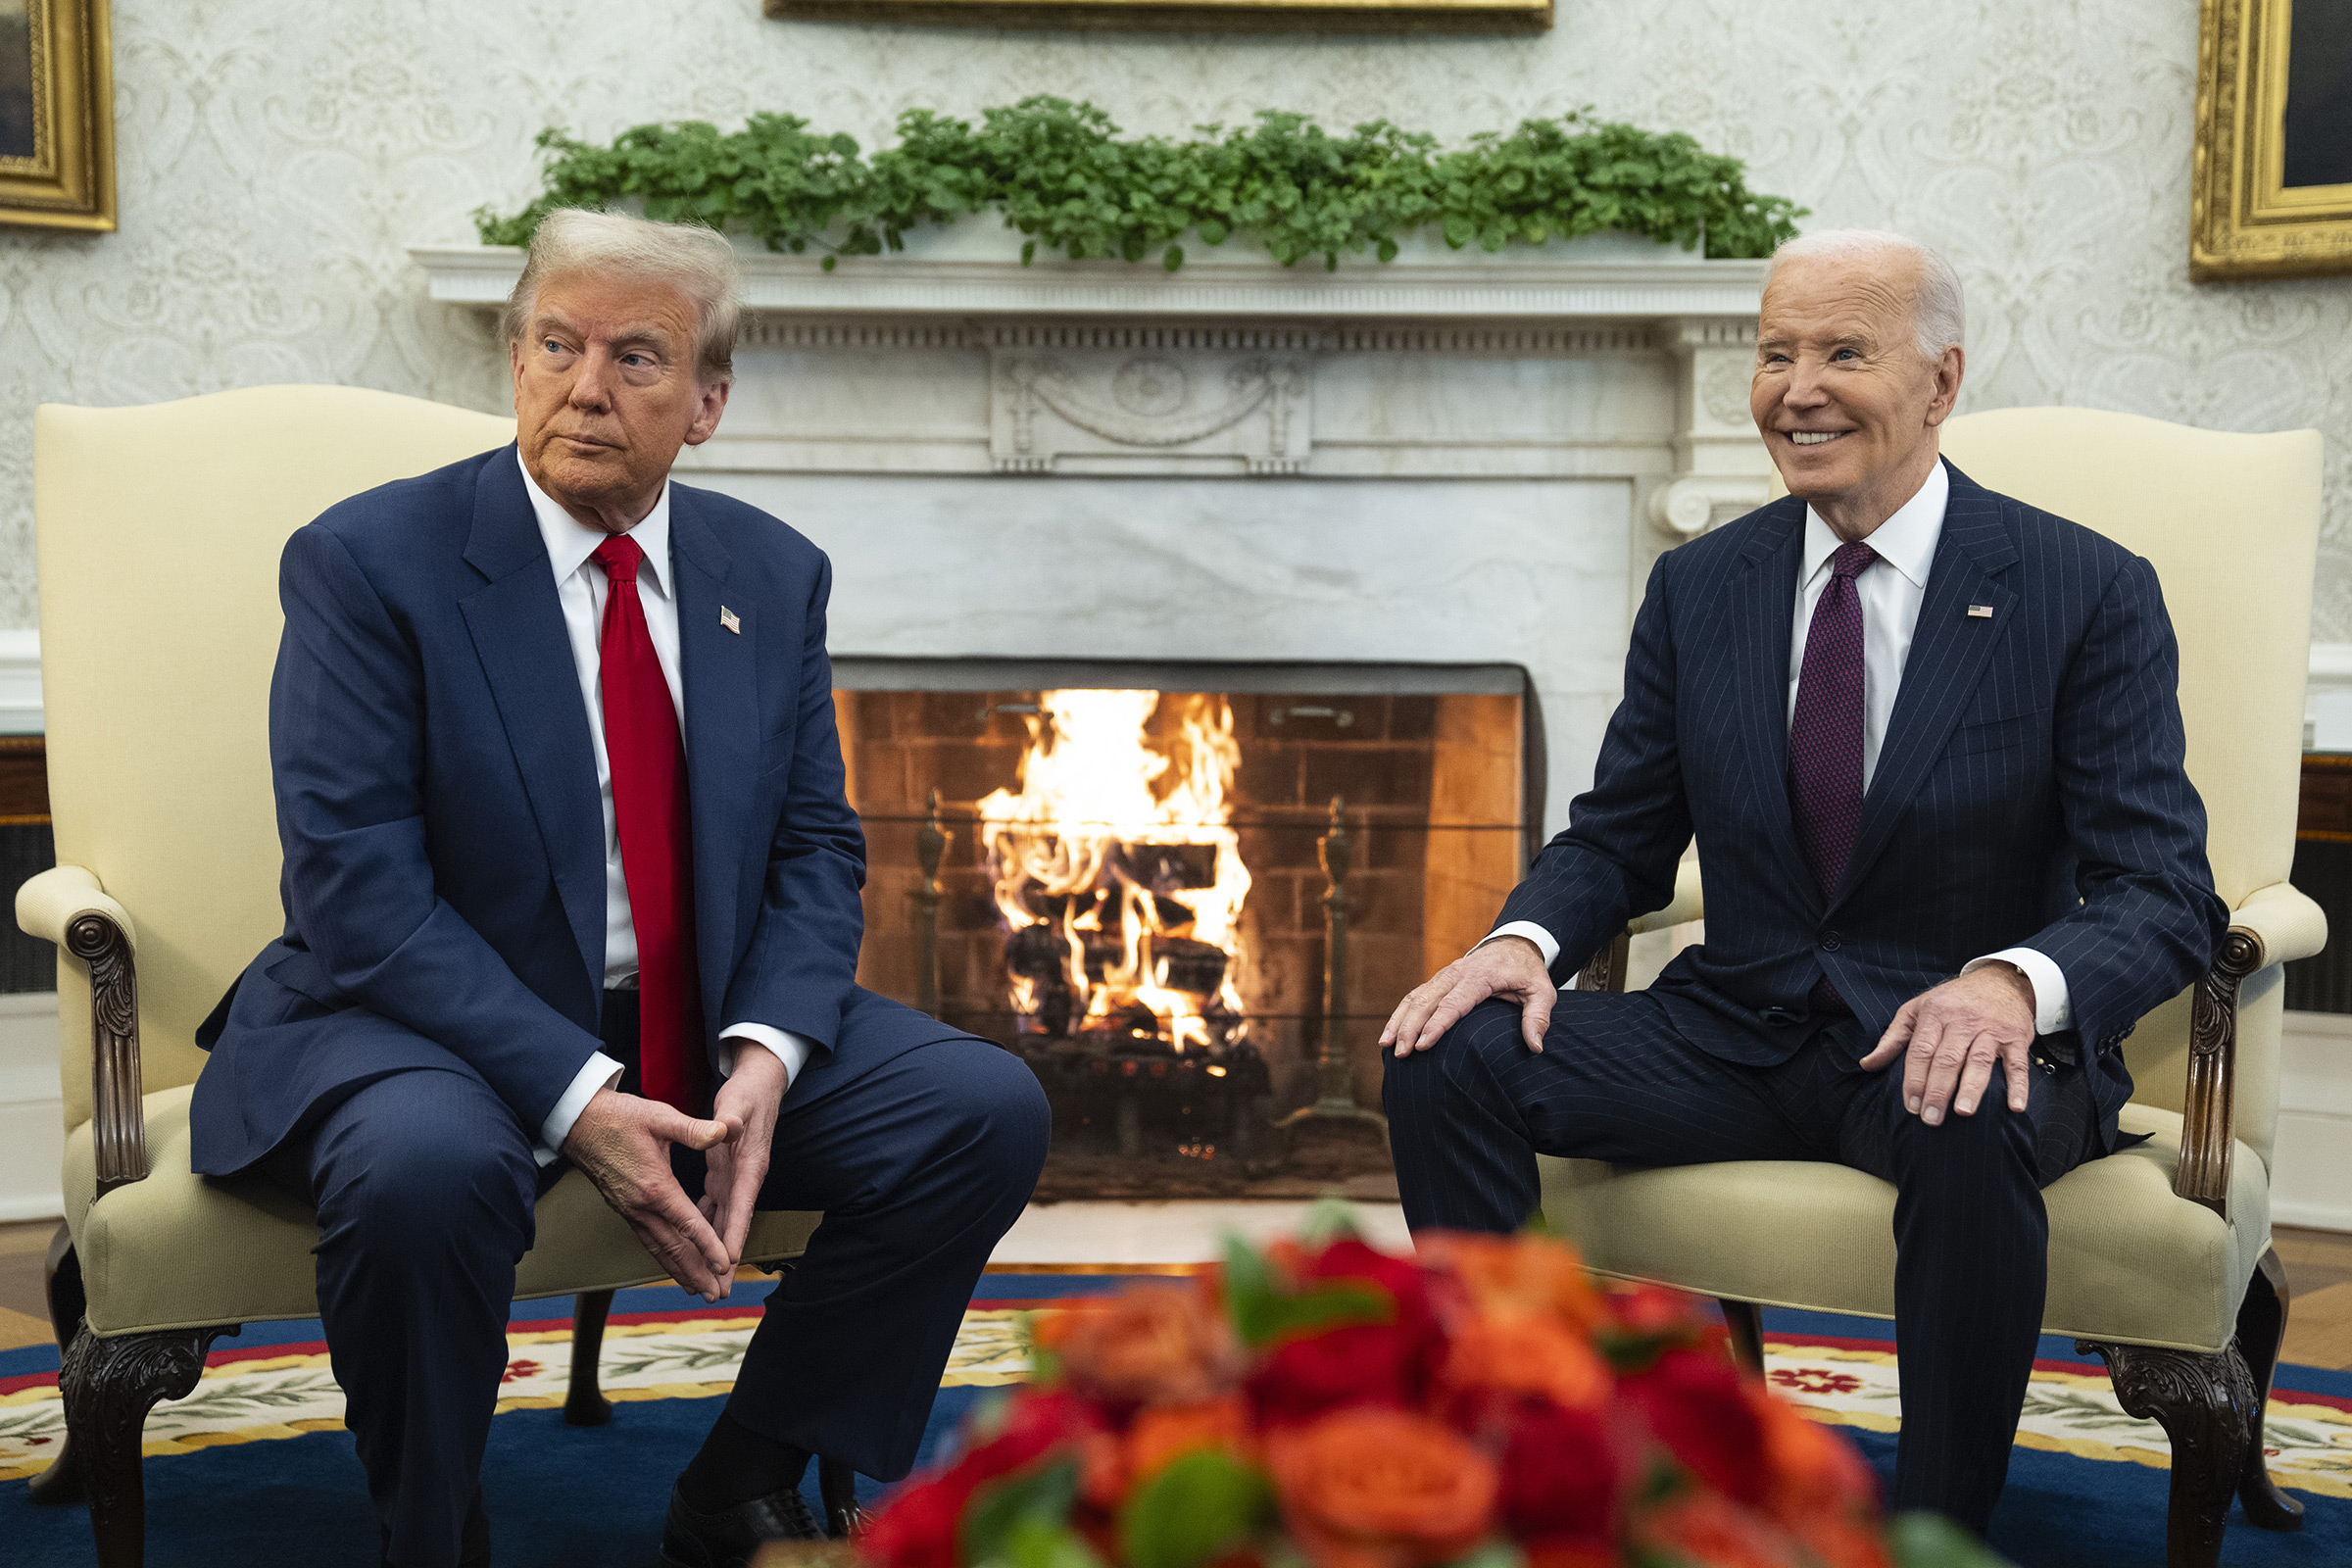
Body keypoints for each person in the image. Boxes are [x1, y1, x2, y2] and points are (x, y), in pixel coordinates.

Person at [187, 209, 1051, 1568]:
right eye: (557, 345)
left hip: (682, 1000)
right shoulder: (370, 563)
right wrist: (578, 1098)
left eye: (637, 357)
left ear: (708, 403)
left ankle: (743, 1479)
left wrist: (768, 1052)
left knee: (978, 1109)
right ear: (515, 359)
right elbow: (357, 890)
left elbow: (815, 846)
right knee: (428, 1169)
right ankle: (433, 1534)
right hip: (412, 1015)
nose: (586, 387)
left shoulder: (770, 573)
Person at [1380, 228, 2225, 1535]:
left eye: (1843, 352)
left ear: (1940, 384)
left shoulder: (2082, 590)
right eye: (1776, 354)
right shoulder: (1702, 587)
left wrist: (2011, 985)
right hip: (1738, 1027)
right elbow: (1618, 834)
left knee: (1970, 1106)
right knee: (1451, 1051)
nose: (1798, 388)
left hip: (1949, 1040)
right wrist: (1525, 942)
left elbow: (2165, 888)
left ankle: (1940, 1529)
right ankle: (1523, 1472)